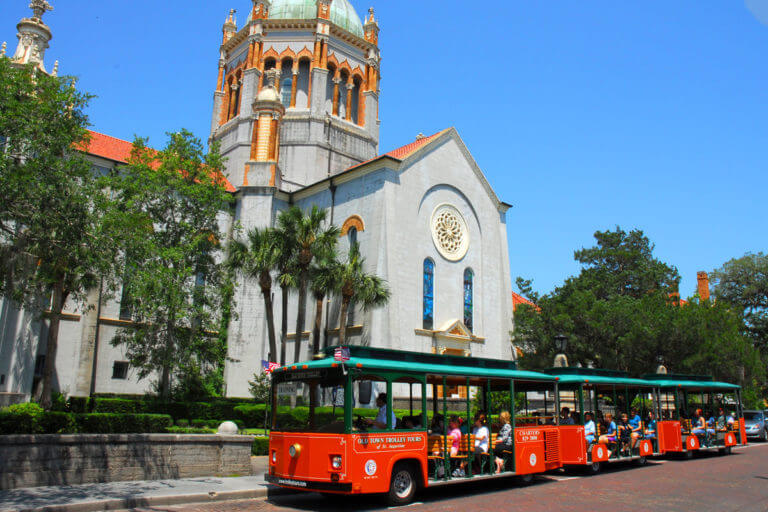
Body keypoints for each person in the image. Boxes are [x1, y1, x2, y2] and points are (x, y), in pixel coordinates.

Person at [455, 413, 489, 477]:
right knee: (466, 450)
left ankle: (461, 468)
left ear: (479, 421)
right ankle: (462, 469)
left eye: (475, 420)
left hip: (482, 447)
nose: (474, 422)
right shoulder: (475, 429)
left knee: (471, 450)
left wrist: (472, 437)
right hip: (474, 447)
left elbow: (481, 438)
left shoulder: (484, 429)